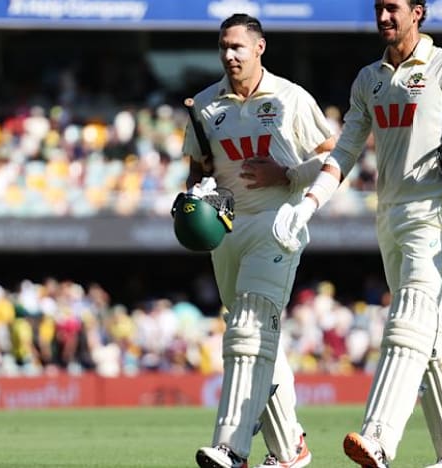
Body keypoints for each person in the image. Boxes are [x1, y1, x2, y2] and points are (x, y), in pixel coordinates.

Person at [272, 1, 442, 467]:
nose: (383, 17)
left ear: (417, 12)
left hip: (436, 211)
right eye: (378, 8)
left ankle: (378, 437)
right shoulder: (368, 79)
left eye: (393, 8)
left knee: (410, 314)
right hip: (389, 214)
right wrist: (309, 203)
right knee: (429, 334)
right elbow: (346, 149)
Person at [184, 13, 336, 468]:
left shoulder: (290, 97)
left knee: (248, 330)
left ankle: (231, 447)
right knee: (255, 335)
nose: (229, 55)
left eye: (238, 47)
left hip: (277, 221)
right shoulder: (205, 104)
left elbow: (335, 158)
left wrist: (287, 174)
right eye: (223, 47)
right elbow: (197, 169)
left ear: (259, 48)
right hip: (226, 230)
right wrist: (195, 198)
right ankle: (291, 450)